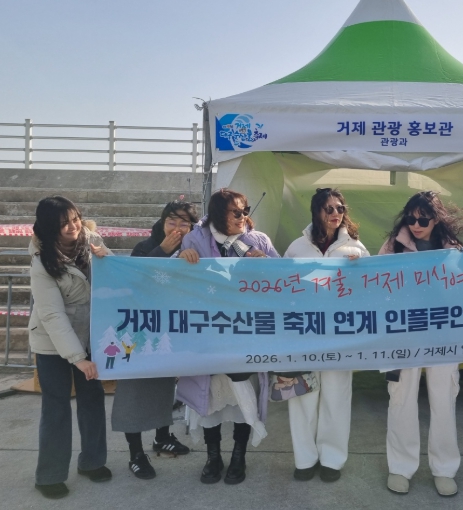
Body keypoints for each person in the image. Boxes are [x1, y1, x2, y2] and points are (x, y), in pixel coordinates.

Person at [176, 188, 279, 485]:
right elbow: (177, 280)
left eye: (245, 210)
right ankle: (213, 457)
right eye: (236, 211)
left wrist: (268, 264)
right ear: (219, 213)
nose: (243, 216)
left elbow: (283, 279)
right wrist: (181, 257)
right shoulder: (195, 239)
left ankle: (238, 457)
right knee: (208, 397)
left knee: (242, 397)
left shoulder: (259, 240)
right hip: (207, 335)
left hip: (245, 334)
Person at [379, 191, 463, 497]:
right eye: (411, 218)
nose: (416, 225)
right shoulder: (392, 247)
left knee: (444, 400)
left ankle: (444, 468)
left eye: (423, 219)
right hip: (402, 335)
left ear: (437, 219)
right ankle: (400, 467)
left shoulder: (455, 250)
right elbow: (375, 286)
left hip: (443, 336)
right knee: (401, 400)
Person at [283, 187, 369, 482]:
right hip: (302, 334)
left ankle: (332, 459)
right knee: (302, 397)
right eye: (328, 208)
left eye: (340, 208)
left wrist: (359, 271)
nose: (335, 214)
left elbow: (369, 289)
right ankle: (304, 459)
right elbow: (282, 289)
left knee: (336, 397)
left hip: (339, 335)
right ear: (316, 211)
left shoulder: (356, 248)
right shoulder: (297, 248)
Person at [28, 196, 112, 499]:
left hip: (89, 336)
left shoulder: (92, 240)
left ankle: (92, 462)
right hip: (52, 342)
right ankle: (49, 475)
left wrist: (106, 257)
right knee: (56, 406)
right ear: (49, 227)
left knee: (93, 399)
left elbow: (112, 277)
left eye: (75, 219)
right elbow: (52, 314)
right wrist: (78, 358)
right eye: (64, 223)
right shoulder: (41, 261)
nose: (73, 226)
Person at [111, 200, 199, 480]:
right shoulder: (145, 247)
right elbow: (133, 280)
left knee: (165, 388)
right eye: (172, 221)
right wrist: (162, 251)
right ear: (162, 223)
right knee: (134, 392)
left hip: (171, 331)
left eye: (184, 223)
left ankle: (163, 437)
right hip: (140, 332)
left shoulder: (193, 250)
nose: (177, 228)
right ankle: (135, 453)